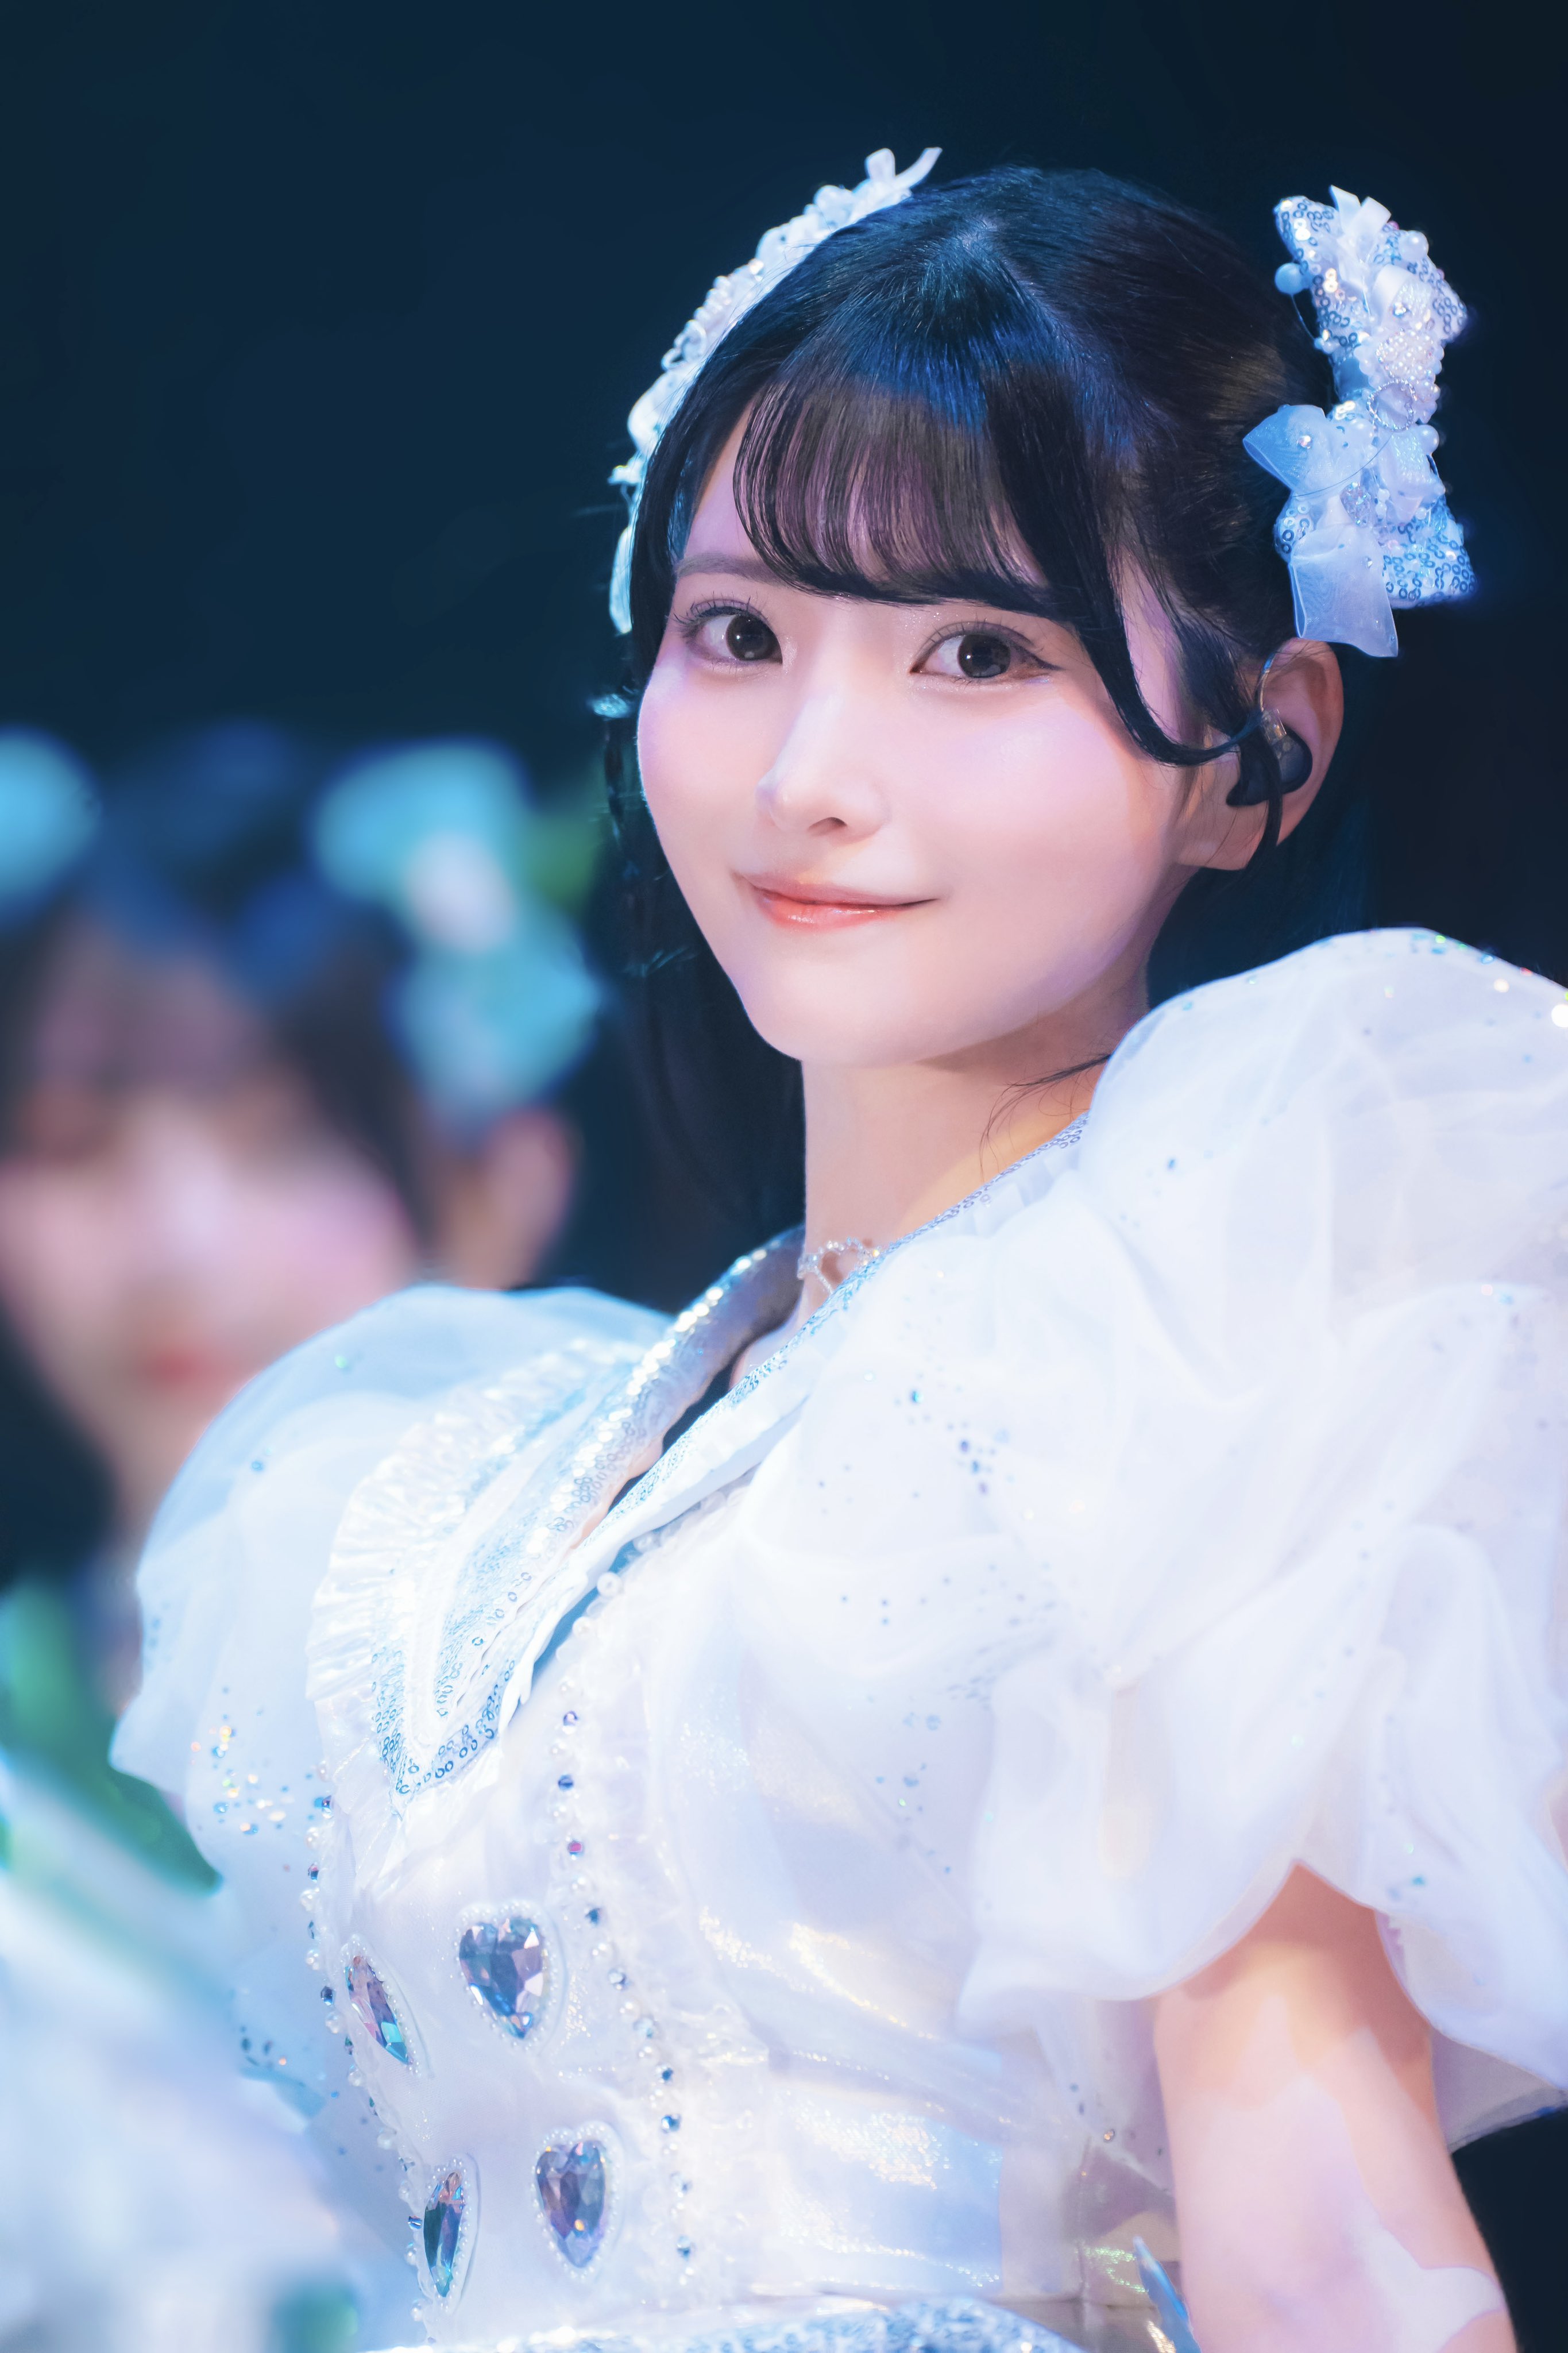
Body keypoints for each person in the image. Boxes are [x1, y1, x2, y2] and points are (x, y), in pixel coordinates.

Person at [115, 157, 1567, 2353]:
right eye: (739, 635)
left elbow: (1326, 2254)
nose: (807, 772)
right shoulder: (491, 1451)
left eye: (974, 653)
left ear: (1255, 750)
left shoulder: (1223, 1351)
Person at [0, 722, 597, 2347]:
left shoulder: (622, 1690)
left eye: (280, 1140)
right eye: (70, 1145)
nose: (175, 1246)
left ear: (500, 1182)